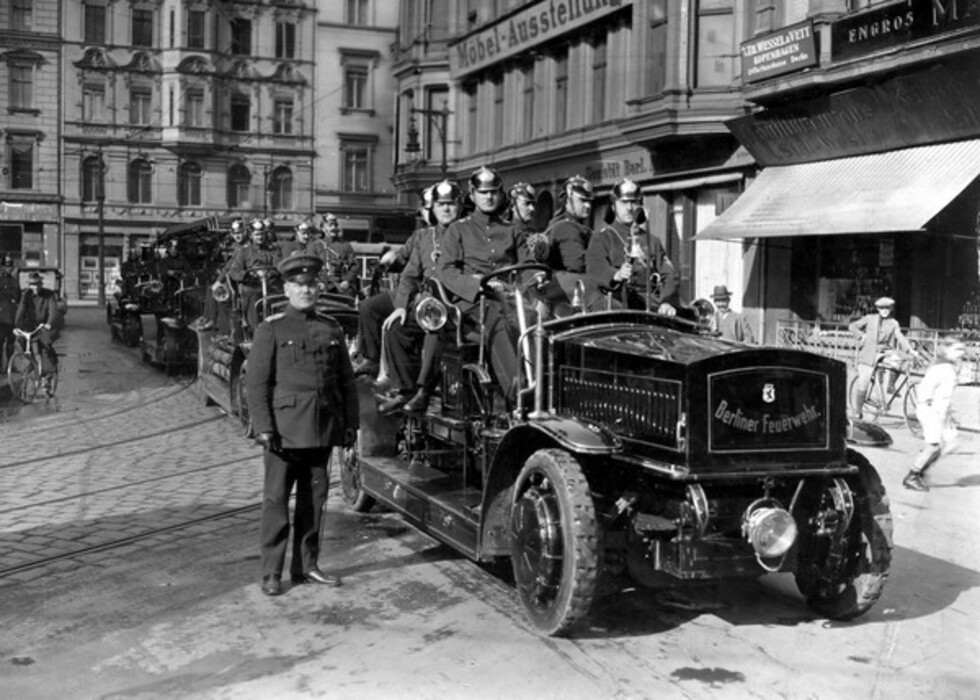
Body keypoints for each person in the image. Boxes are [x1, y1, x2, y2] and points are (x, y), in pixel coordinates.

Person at [246, 254, 359, 596]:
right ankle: (271, 573)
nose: (306, 291)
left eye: (311, 285)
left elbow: (346, 382)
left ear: (319, 288)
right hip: (283, 431)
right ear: (286, 288)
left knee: (314, 501)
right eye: (298, 285)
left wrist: (350, 425)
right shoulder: (272, 328)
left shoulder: (331, 328)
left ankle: (307, 566)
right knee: (276, 502)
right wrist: (264, 427)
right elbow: (257, 383)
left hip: (322, 428)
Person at [438, 166, 544, 405]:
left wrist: (535, 277)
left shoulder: (512, 230)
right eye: (483, 192)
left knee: (536, 321)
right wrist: (476, 286)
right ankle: (518, 393)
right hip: (474, 305)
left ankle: (545, 385)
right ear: (472, 194)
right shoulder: (458, 229)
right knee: (497, 321)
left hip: (510, 299)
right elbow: (445, 271)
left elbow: (527, 264)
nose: (489, 197)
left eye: (494, 192)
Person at [378, 179, 462, 413]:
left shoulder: (467, 233)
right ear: (433, 208)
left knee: (436, 324)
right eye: (441, 204)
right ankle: (404, 390)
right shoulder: (425, 237)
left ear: (459, 206)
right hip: (427, 302)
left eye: (451, 204)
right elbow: (409, 276)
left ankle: (424, 391)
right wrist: (401, 306)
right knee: (394, 327)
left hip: (458, 305)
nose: (446, 209)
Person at [352, 187, 435, 379]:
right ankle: (371, 360)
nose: (429, 213)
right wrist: (391, 260)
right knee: (368, 307)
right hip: (411, 291)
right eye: (427, 208)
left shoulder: (454, 232)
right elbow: (404, 260)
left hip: (428, 296)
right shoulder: (420, 235)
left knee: (396, 327)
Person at [586, 177, 682, 315]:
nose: (630, 208)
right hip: (615, 302)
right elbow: (595, 268)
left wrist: (666, 302)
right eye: (624, 202)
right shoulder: (602, 238)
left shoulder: (652, 241)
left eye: (634, 202)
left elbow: (670, 274)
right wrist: (616, 274)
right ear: (613, 206)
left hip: (650, 304)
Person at [902, 337, 967, 492]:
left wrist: (948, 414)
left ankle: (921, 469)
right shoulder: (939, 368)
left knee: (951, 443)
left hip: (942, 412)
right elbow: (924, 390)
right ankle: (912, 475)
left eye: (962, 350)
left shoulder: (951, 368)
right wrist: (930, 408)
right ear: (946, 350)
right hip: (930, 410)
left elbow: (945, 393)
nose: (961, 353)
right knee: (933, 445)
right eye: (957, 350)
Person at [848, 296, 915, 420]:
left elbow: (900, 337)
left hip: (884, 353)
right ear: (878, 309)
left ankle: (891, 386)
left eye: (887, 308)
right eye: (882, 308)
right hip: (868, 355)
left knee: (901, 360)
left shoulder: (893, 323)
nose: (885, 310)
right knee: (864, 382)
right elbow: (852, 326)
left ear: (891, 309)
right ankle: (857, 410)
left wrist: (910, 350)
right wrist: (861, 335)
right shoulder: (870, 318)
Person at [544, 175, 594, 309]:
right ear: (569, 198)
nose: (588, 206)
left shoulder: (568, 224)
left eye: (589, 201)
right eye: (582, 201)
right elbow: (577, 264)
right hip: (568, 295)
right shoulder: (567, 227)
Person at [228, 219, 281, 333]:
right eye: (257, 234)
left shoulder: (272, 251)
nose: (260, 237)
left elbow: (279, 265)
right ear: (251, 235)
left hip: (270, 286)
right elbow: (234, 271)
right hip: (251, 287)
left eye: (262, 234)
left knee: (282, 302)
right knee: (254, 302)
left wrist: (270, 273)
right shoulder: (244, 252)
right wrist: (248, 275)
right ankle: (255, 330)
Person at [14, 271, 60, 393]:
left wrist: (49, 323)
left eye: (37, 284)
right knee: (22, 340)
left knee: (44, 347)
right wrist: (17, 326)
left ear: (41, 284)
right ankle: (33, 363)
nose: (34, 287)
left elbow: (53, 311)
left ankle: (47, 377)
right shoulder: (26, 295)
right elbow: (21, 311)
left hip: (45, 326)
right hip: (30, 326)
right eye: (32, 285)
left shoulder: (49, 295)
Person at [320, 213, 358, 297]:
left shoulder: (346, 246)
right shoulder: (315, 245)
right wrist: (318, 282)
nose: (334, 228)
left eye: (335, 225)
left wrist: (347, 280)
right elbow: (310, 267)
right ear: (323, 228)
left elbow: (354, 266)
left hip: (340, 288)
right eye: (330, 225)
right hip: (322, 288)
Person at [0, 255, 20, 366]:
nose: (9, 268)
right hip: (1, 317)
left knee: (11, 343)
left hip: (12, 317)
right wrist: (10, 297)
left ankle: (10, 365)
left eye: (10, 266)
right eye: (6, 266)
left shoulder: (14, 280)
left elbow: (17, 296)